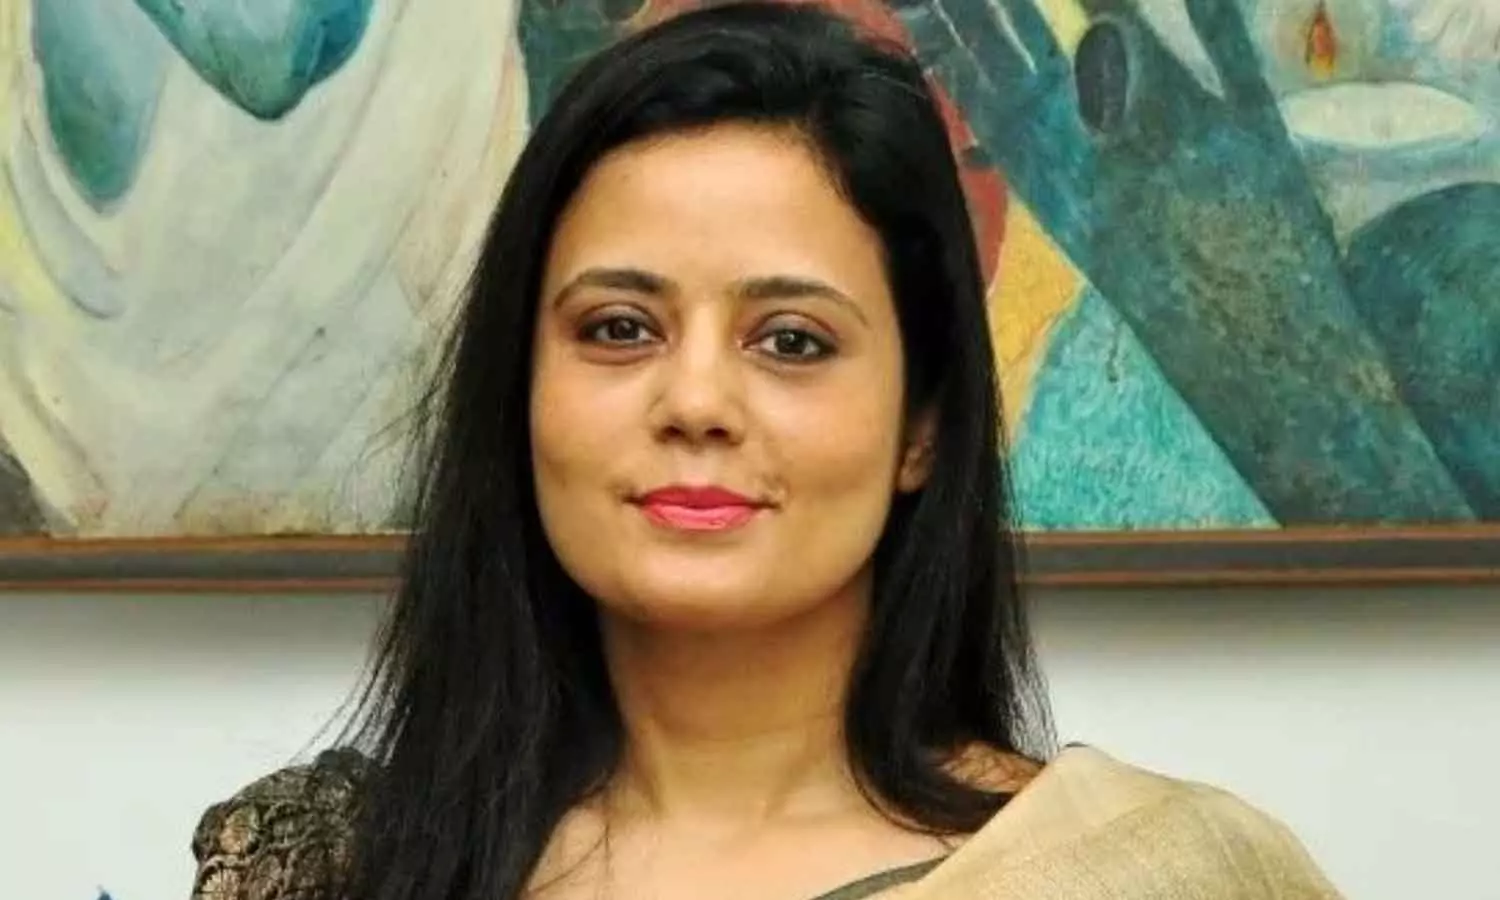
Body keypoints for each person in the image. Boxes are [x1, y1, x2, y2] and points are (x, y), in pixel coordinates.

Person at [189, 3, 1343, 898]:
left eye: (791, 340)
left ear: (922, 426)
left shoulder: (1149, 874)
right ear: (520, 390)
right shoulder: (344, 868)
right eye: (619, 328)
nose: (696, 402)